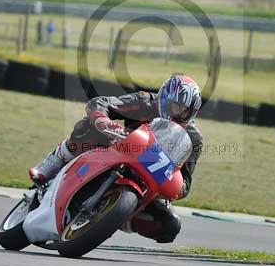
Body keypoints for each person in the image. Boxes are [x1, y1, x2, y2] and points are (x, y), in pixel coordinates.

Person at [29, 74, 203, 243]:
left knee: (170, 225)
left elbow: (186, 181)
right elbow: (101, 103)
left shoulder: (193, 139)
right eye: (175, 106)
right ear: (164, 98)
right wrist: (104, 122)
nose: (179, 113)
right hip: (120, 148)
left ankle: (120, 218)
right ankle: (55, 161)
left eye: (185, 111)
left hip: (151, 178)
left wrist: (175, 186)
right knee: (87, 125)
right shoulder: (145, 101)